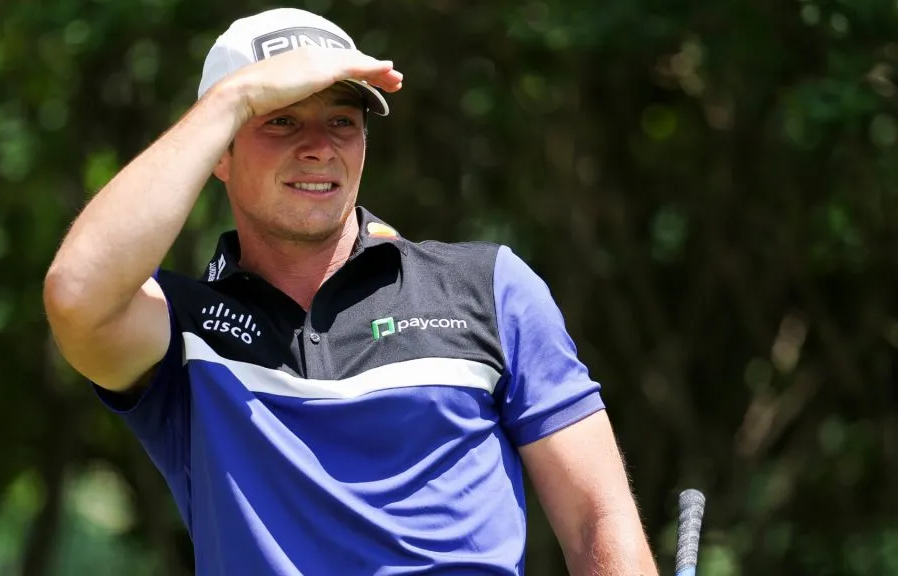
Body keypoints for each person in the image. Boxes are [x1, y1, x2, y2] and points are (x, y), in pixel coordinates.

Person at [43, 7, 658, 575]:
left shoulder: (489, 287)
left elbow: (597, 520)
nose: (318, 147)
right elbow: (75, 292)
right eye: (280, 120)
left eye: (342, 121)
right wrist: (234, 96)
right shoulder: (180, 327)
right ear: (219, 152)